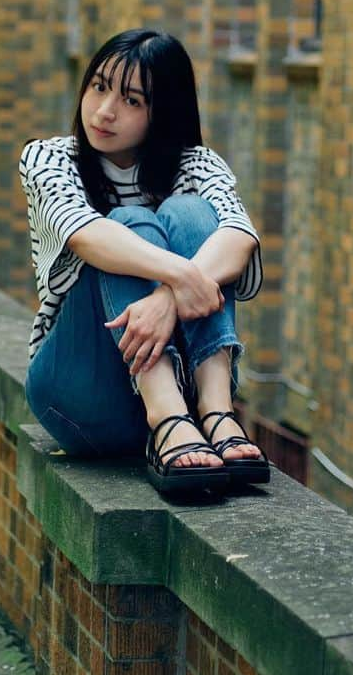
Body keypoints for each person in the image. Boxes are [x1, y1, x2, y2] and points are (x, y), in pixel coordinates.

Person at [20, 28, 269, 497]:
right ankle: (165, 413)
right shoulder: (50, 159)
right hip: (81, 391)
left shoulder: (197, 165)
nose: (105, 110)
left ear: (163, 112)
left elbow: (239, 239)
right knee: (128, 221)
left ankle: (218, 410)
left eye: (131, 100)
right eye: (98, 87)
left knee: (195, 213)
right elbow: (90, 237)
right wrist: (176, 279)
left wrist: (163, 302)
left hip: (193, 410)